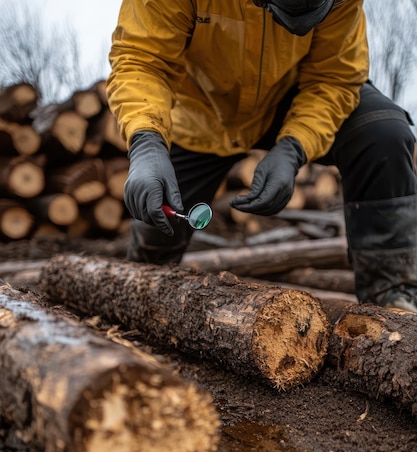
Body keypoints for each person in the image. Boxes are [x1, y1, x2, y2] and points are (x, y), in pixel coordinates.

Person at [107, 0, 417, 312]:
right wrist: (147, 141)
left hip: (288, 99)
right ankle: (141, 297)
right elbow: (142, 60)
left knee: (382, 133)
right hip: (202, 113)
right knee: (156, 234)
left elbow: (334, 76)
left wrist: (294, 146)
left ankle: (390, 296)